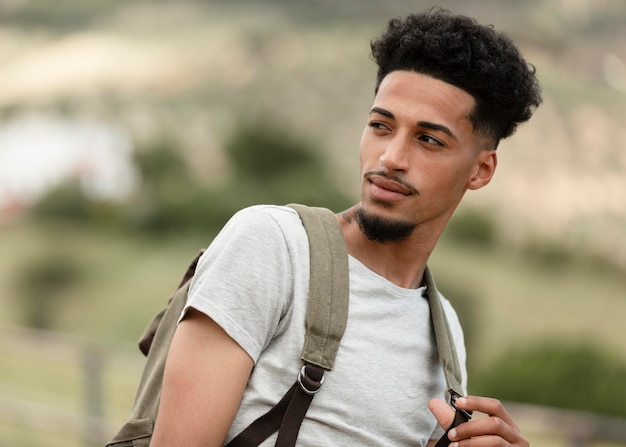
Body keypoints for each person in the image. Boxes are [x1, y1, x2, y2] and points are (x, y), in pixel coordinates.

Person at [151, 7, 542, 447]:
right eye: (381, 125)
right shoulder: (273, 247)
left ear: (481, 170)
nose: (391, 157)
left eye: (428, 139)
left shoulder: (444, 335)